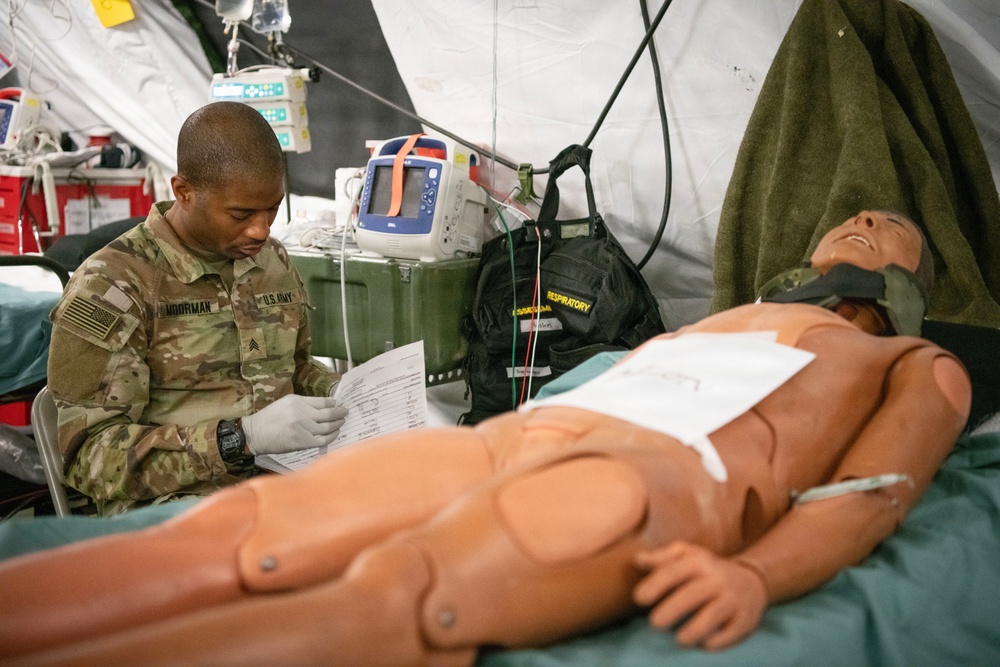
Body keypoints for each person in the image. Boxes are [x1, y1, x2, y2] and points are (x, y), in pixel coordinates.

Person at [1, 210, 970, 666]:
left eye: (892, 230)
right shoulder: (724, 317)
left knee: (402, 594)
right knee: (234, 533)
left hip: (659, 471)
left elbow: (876, 489)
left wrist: (758, 573)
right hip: (531, 428)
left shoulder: (912, 362)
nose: (867, 215)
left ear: (908, 286)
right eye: (853, 216)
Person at [44, 102, 347, 515]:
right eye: (241, 214)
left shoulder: (270, 260)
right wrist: (241, 438)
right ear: (184, 192)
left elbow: (294, 368)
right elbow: (90, 460)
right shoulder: (112, 285)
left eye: (272, 209)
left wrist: (340, 391)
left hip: (282, 485)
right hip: (174, 511)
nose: (262, 229)